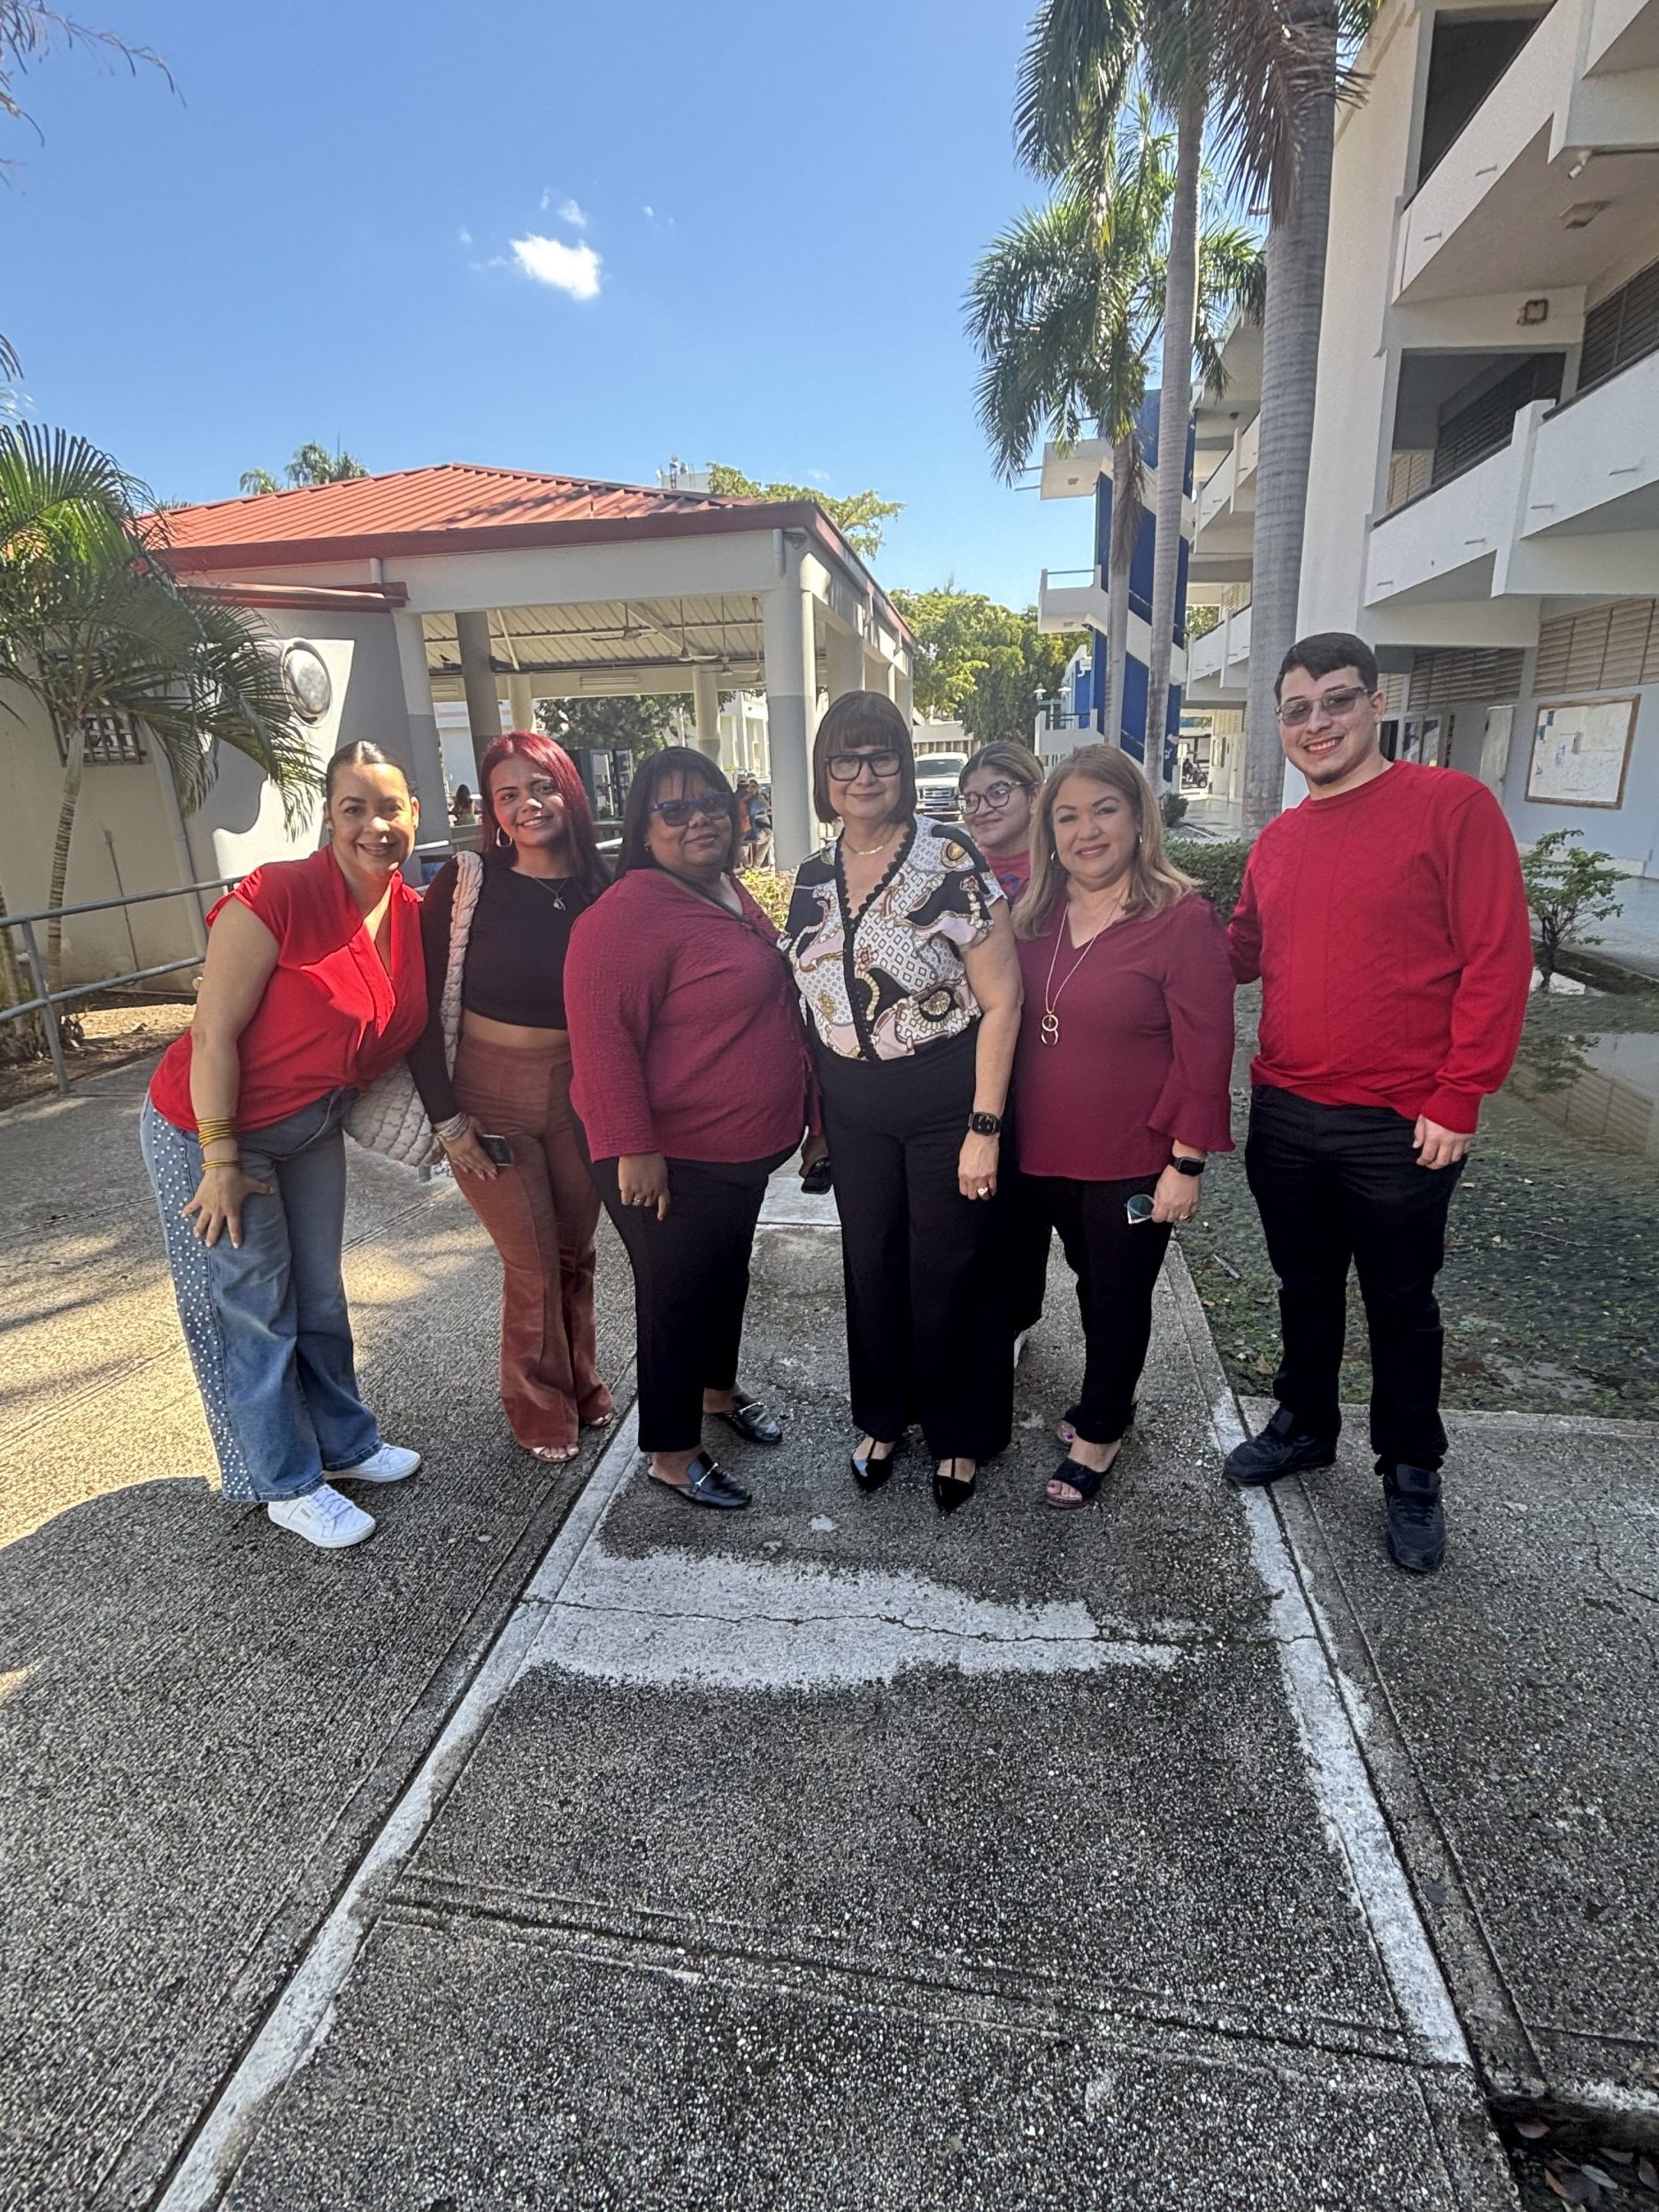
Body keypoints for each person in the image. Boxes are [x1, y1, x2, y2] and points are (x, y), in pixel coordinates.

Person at [1225, 632, 1533, 1573]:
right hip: (1286, 1110)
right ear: (1281, 724)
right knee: (1304, 1286)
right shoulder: (1278, 842)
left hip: (1403, 1121)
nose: (1317, 723)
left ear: (1375, 703)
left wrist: (1460, 1093)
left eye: (1337, 701)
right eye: (1298, 709)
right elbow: (1236, 952)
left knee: (1400, 1301)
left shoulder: (1450, 806)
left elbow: (1497, 957)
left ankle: (1409, 1468)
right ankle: (1303, 1423)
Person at [141, 742, 428, 1552]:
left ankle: (343, 1444)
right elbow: (212, 1034)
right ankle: (285, 1482)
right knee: (255, 1307)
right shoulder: (279, 894)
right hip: (215, 1129)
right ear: (329, 817)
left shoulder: (410, 911)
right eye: (354, 809)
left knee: (322, 1296)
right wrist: (220, 1160)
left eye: (390, 808)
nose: (375, 826)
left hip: (309, 1127)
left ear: (414, 813)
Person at [781, 692, 1023, 1511]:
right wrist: (817, 1122)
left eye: (880, 755)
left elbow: (1003, 1000)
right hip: (853, 1105)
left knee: (950, 1264)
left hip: (943, 1096)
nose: (863, 775)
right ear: (824, 773)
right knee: (871, 1262)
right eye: (844, 759)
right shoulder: (811, 874)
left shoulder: (948, 857)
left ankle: (959, 1430)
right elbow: (810, 1002)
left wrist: (984, 1125)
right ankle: (883, 1415)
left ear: (903, 766)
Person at [565, 748, 818, 1509]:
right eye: (674, 809)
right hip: (666, 1154)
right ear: (644, 828)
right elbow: (601, 1041)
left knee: (724, 1274)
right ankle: (671, 1453)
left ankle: (716, 1391)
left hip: (736, 1150)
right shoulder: (626, 914)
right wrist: (634, 1148)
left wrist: (810, 1114)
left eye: (712, 803)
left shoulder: (726, 890)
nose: (699, 820)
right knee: (674, 1294)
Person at [1010, 748, 1234, 1509]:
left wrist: (1186, 1162)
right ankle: (1113, 1390)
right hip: (1039, 1151)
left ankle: (1101, 1427)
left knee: (1117, 1294)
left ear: (1138, 818)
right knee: (1081, 1280)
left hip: (1132, 1157)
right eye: (1067, 816)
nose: (1086, 831)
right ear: (1048, 833)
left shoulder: (1180, 919)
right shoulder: (1031, 920)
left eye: (1104, 810)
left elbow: (1206, 1051)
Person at [408, 731, 615, 1463]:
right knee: (530, 1261)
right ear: (492, 810)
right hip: (487, 1091)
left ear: (569, 790)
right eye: (508, 794)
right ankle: (536, 1404)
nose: (528, 803)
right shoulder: (467, 882)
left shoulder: (605, 886)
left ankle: (581, 1382)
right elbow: (420, 1006)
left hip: (581, 1090)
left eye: (541, 786)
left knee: (574, 1252)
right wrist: (446, 1121)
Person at [957, 740, 1044, 902]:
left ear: (1033, 796)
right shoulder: (956, 874)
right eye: (970, 800)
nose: (981, 810)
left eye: (998, 793)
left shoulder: (1064, 874)